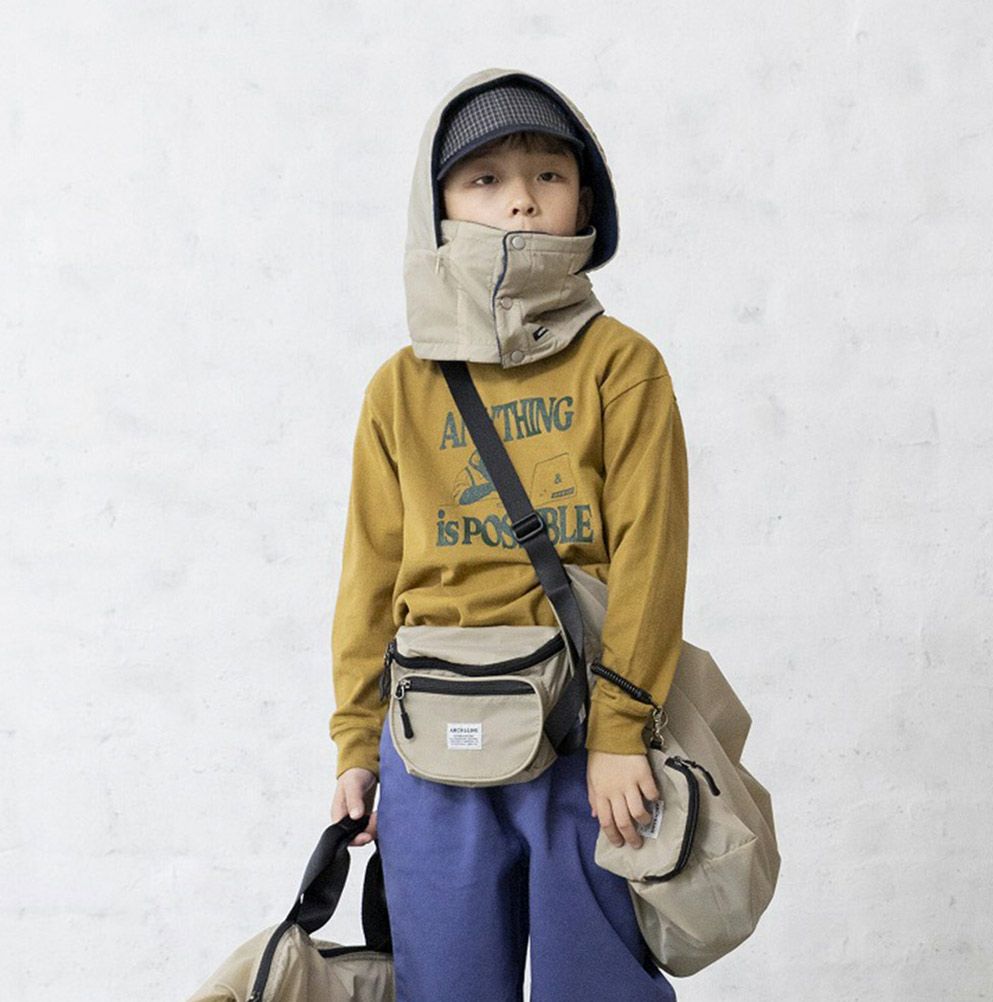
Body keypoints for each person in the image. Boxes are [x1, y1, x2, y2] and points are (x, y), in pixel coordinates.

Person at [328, 67, 688, 1001]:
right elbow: (369, 578)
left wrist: (622, 734)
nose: (521, 199)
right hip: (429, 747)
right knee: (445, 986)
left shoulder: (622, 366)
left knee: (595, 987)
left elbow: (650, 562)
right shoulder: (399, 387)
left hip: (583, 744)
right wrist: (356, 746)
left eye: (548, 174)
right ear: (439, 206)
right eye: (485, 178)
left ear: (586, 200)